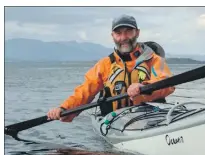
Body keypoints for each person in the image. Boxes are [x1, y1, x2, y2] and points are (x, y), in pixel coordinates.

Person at [47, 14, 175, 122]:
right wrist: (64, 109)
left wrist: (144, 87)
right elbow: (85, 91)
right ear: (112, 36)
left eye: (128, 32)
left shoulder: (154, 59)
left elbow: (167, 83)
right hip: (117, 122)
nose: (123, 38)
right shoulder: (105, 65)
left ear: (137, 32)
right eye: (118, 33)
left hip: (152, 116)